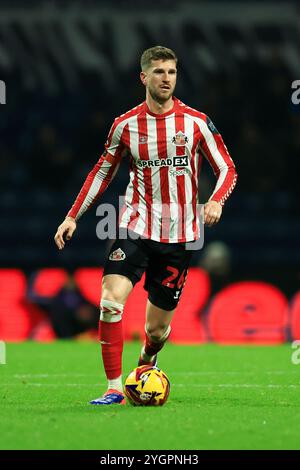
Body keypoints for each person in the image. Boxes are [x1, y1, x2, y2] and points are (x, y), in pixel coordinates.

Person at [54, 46, 237, 405]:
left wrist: (216, 199)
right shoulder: (125, 125)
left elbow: (227, 168)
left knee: (156, 329)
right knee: (110, 301)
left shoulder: (196, 122)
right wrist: (72, 215)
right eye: (159, 72)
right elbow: (101, 173)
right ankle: (112, 387)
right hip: (135, 227)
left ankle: (146, 364)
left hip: (180, 237)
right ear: (144, 77)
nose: (166, 78)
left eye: (171, 72)